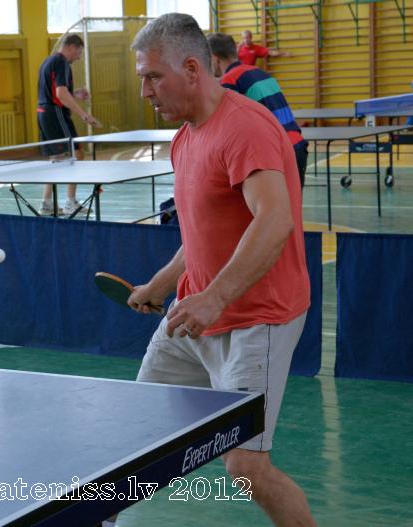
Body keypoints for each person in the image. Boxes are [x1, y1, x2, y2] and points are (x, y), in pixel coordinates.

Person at [128, 14, 315, 526]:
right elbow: (201, 235)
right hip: (192, 319)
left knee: (247, 468)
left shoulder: (245, 128)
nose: (145, 91)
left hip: (256, 319)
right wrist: (160, 285)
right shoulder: (185, 138)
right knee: (129, 433)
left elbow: (274, 220)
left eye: (153, 77)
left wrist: (215, 297)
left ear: (192, 69)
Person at [208, 32, 308, 188]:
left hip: (277, 152)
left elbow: (225, 129)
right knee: (292, 204)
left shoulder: (230, 80)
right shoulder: (259, 73)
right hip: (297, 146)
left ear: (215, 58)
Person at [36, 34, 101, 216]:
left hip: (43, 113)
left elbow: (56, 92)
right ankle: (70, 203)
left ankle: (47, 204)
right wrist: (84, 115)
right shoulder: (62, 62)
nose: (79, 57)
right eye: (79, 52)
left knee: (56, 158)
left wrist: (76, 94)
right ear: (71, 47)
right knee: (76, 154)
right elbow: (61, 95)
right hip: (55, 114)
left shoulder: (48, 61)